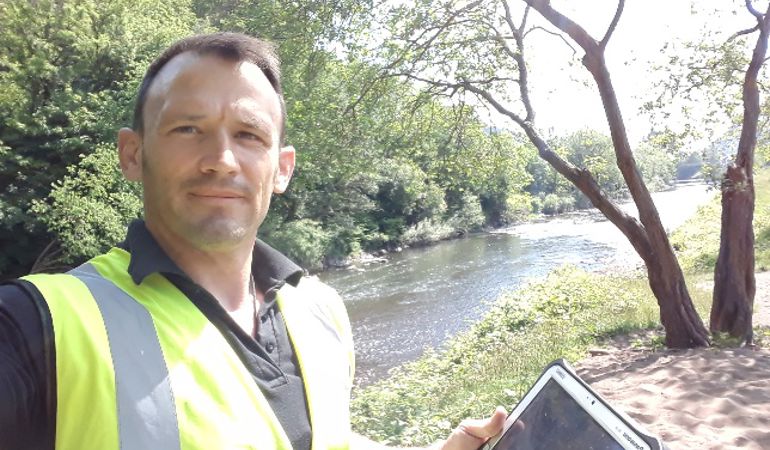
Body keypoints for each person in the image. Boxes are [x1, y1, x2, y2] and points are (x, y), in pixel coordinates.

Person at [0, 32, 505, 449]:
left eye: (249, 135)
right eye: (187, 129)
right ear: (133, 155)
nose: (222, 158)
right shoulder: (33, 325)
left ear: (280, 168)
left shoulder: (319, 308)